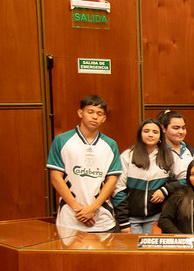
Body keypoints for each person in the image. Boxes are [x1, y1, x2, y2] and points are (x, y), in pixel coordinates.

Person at [46, 95, 122, 233]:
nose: (95, 117)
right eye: (90, 112)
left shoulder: (110, 145)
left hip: (102, 219)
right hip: (70, 219)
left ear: (104, 118)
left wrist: (92, 209)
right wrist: (79, 210)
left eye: (99, 114)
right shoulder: (62, 140)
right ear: (80, 113)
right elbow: (56, 178)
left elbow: (112, 180)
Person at [114, 119, 184, 233]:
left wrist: (165, 190)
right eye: (146, 131)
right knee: (134, 250)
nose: (150, 135)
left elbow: (186, 179)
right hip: (131, 219)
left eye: (155, 132)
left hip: (156, 217)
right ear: (140, 134)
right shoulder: (127, 156)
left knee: (152, 250)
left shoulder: (168, 156)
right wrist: (123, 222)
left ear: (160, 136)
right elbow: (118, 190)